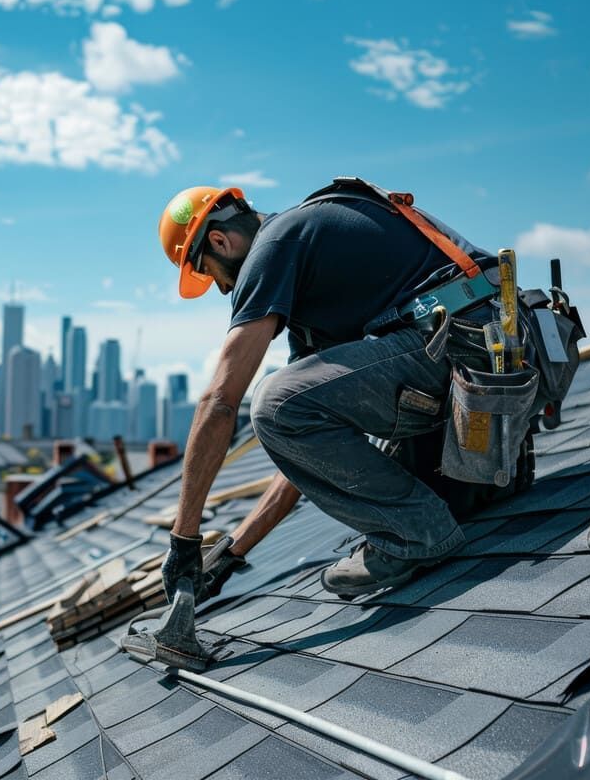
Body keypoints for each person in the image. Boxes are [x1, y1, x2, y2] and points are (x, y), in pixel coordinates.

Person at [157, 182, 501, 602]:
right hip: (485, 353)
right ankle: (442, 509)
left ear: (219, 240)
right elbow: (304, 446)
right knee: (287, 408)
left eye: (210, 273)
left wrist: (184, 540)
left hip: (468, 348)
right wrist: (233, 552)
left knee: (274, 404)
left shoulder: (274, 246)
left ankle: (419, 534)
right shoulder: (308, 271)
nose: (223, 289)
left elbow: (221, 401)